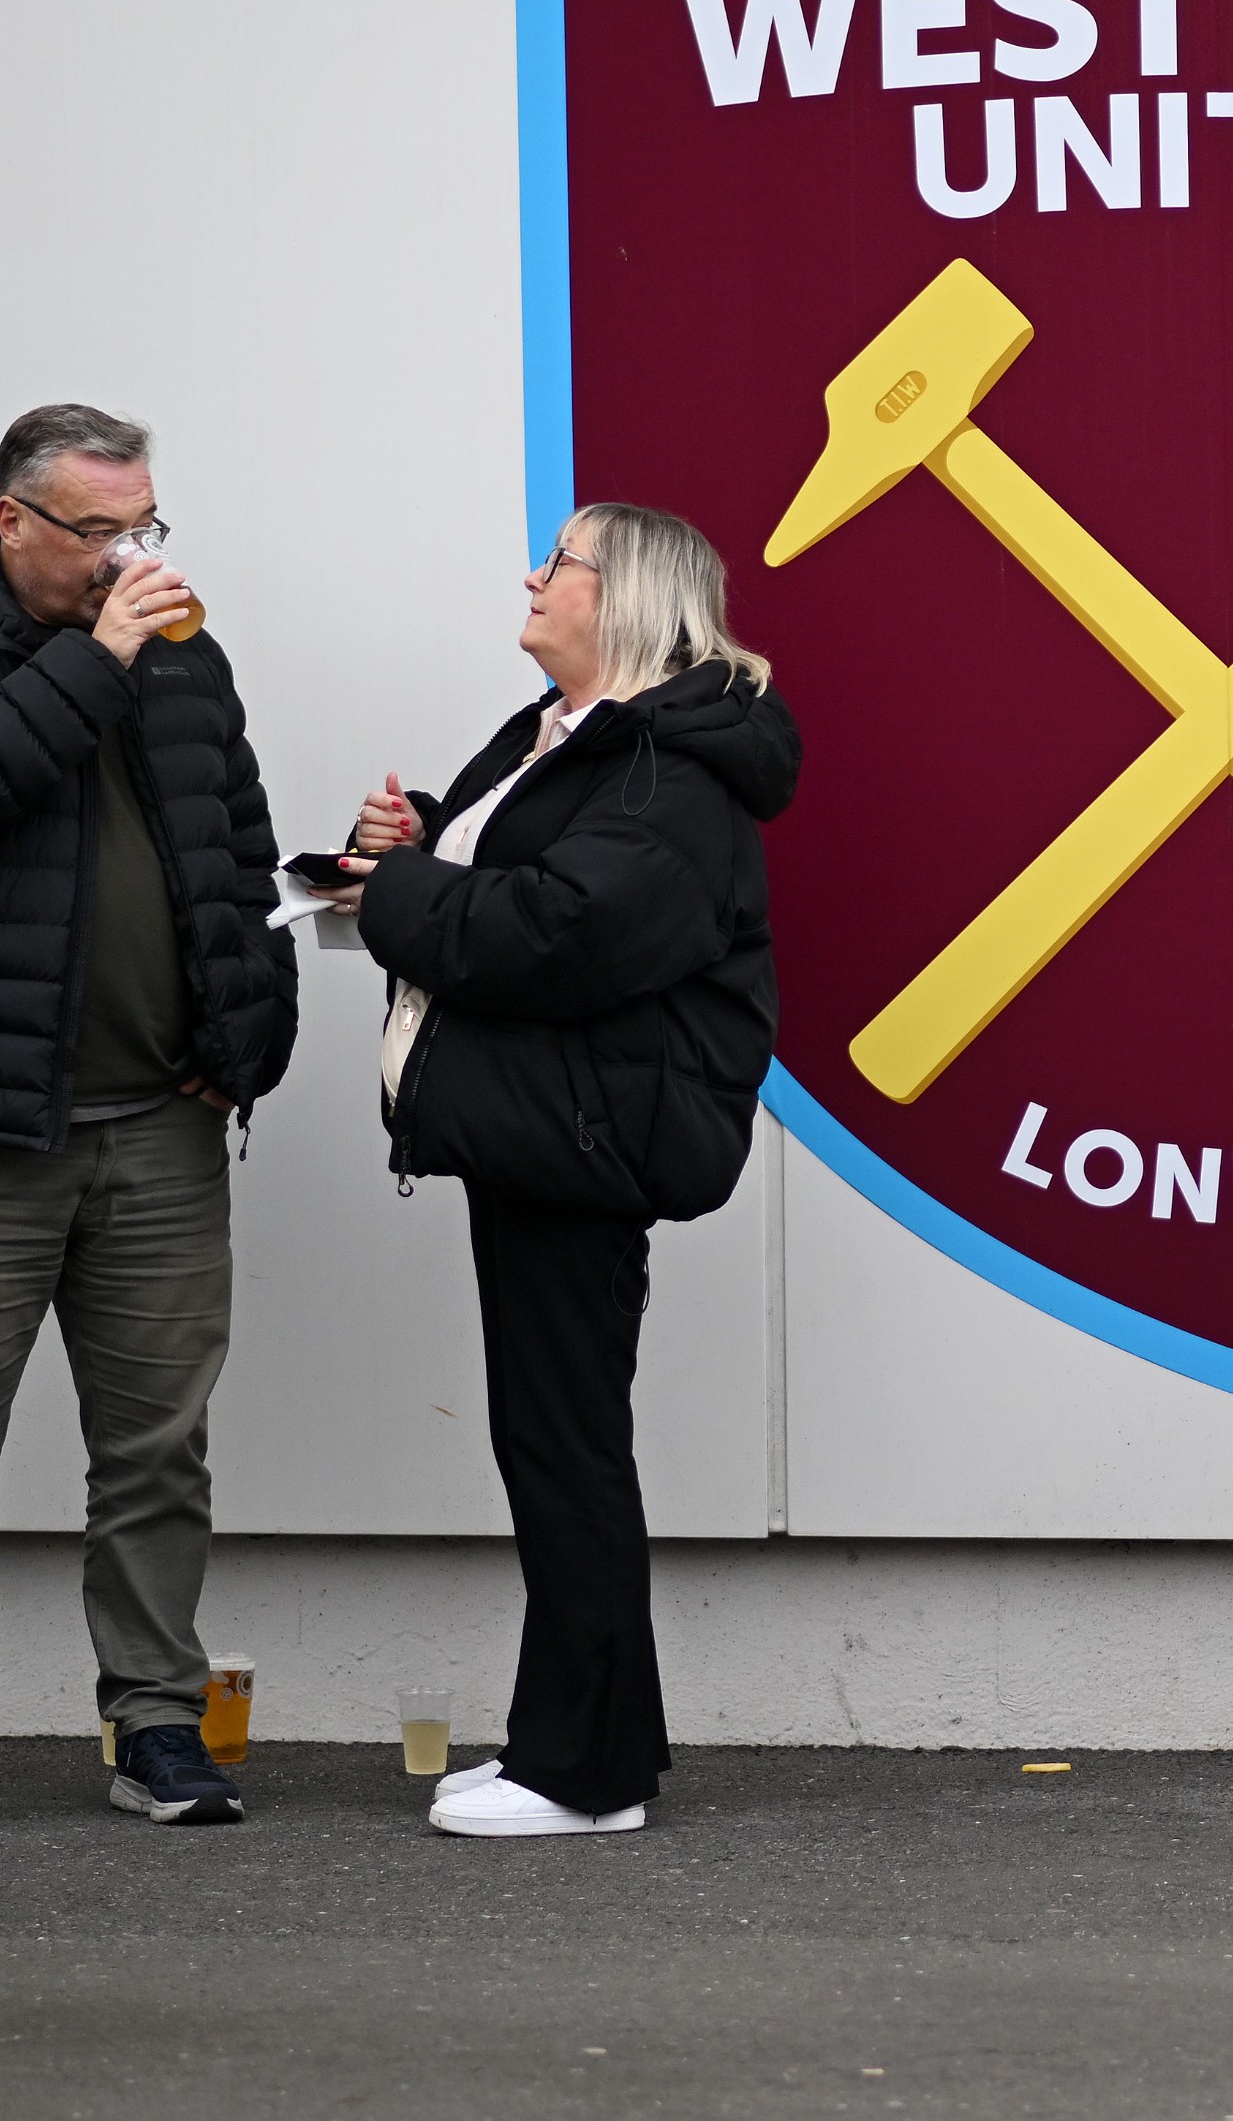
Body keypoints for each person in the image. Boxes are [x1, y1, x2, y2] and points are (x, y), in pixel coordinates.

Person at [0, 404, 297, 1835]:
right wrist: (94, 660)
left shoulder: (187, 659)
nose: (126, 557)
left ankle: (155, 1717)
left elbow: (232, 848)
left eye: (142, 526)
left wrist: (249, 1038)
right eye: (97, 531)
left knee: (157, 1446)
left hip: (156, 1127)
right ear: (14, 520)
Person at [332, 503, 799, 1839]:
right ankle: (577, 1742)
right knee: (555, 1437)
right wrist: (417, 834)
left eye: (563, 564)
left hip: (581, 1139)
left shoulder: (668, 775)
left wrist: (394, 885)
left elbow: (557, 933)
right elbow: (505, 872)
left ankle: (585, 1777)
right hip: (545, 1126)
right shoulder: (571, 732)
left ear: (631, 597)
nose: (536, 579)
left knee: (568, 1445)